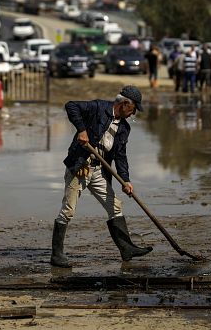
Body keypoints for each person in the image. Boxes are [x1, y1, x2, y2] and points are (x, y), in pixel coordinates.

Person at [51, 85, 153, 268]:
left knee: (115, 206)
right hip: (80, 167)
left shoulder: (124, 128)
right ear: (124, 104)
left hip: (98, 171)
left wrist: (125, 179)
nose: (133, 113)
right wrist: (81, 130)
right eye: (133, 109)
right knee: (68, 210)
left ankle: (126, 249)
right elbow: (71, 105)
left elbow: (120, 155)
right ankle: (56, 255)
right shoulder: (98, 108)